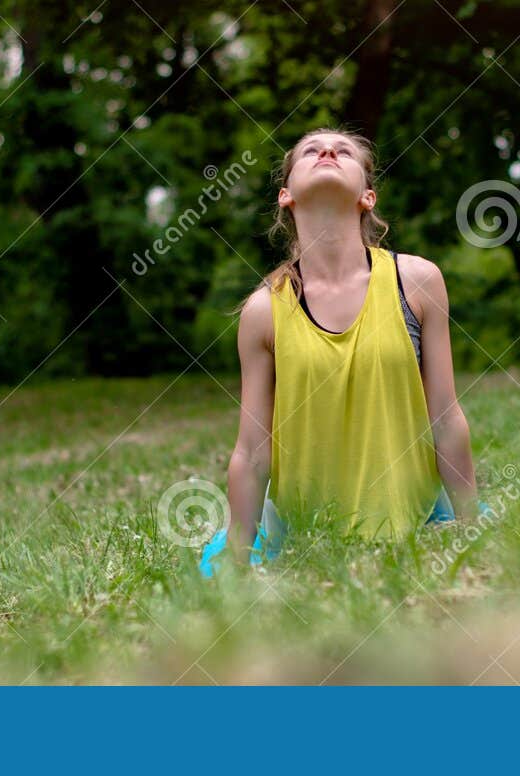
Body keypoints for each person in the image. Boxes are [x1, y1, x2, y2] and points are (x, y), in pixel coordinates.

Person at [201, 128, 486, 577]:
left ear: (368, 197)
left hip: (415, 517)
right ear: (285, 195)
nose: (328, 151)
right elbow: (253, 452)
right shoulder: (263, 311)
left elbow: (446, 418)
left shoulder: (416, 282)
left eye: (345, 150)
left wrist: (472, 526)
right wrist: (238, 558)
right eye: (310, 151)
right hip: (300, 533)